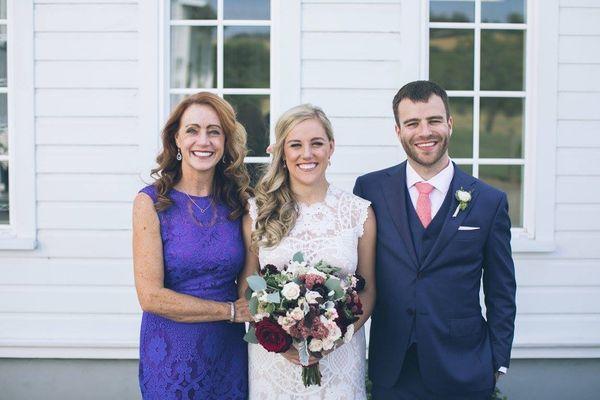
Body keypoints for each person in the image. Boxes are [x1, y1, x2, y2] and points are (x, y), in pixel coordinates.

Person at [354, 80, 517, 399]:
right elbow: (357, 275)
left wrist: (498, 361)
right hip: (393, 367)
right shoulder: (370, 190)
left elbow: (501, 289)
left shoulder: (488, 200)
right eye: (412, 123)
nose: (424, 132)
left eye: (434, 120)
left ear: (450, 124)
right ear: (398, 130)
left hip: (464, 366)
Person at [239, 104, 377, 399]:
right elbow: (247, 284)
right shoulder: (258, 211)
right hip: (274, 360)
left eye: (316, 143)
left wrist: (334, 337)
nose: (307, 154)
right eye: (296, 145)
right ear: (282, 152)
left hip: (339, 359)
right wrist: (274, 337)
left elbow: (369, 290)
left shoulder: (358, 212)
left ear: (331, 147)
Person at [132, 92, 253, 399]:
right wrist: (228, 311)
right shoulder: (151, 202)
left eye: (214, 131)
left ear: (225, 142)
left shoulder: (239, 203)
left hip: (228, 352)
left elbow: (248, 286)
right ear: (176, 140)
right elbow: (150, 297)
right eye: (192, 130)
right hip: (171, 353)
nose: (204, 141)